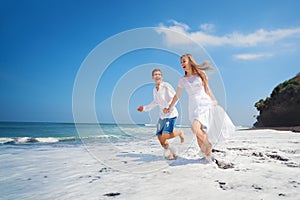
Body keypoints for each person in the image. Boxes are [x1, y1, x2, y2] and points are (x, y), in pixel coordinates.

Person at [163, 54, 235, 162]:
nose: (182, 64)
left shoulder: (201, 74)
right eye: (181, 62)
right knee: (198, 133)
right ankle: (208, 156)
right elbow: (177, 96)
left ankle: (208, 144)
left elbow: (207, 89)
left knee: (195, 128)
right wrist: (169, 107)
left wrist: (214, 102)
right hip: (193, 106)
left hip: (204, 103)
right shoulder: (182, 80)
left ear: (190, 62)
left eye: (184, 61)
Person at [137, 68, 184, 159]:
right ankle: (171, 153)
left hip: (171, 114)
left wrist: (169, 107)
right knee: (160, 137)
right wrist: (144, 108)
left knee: (165, 135)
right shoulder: (154, 89)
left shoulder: (166, 86)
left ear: (161, 77)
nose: (157, 76)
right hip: (162, 116)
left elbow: (176, 97)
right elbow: (155, 102)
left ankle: (179, 132)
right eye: (155, 74)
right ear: (152, 77)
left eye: (159, 74)